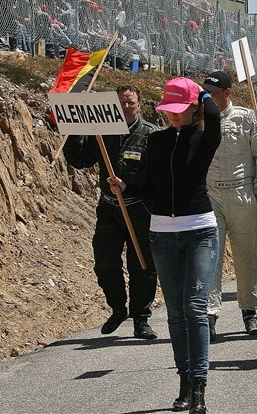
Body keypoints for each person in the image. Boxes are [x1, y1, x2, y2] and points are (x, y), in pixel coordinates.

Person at [109, 77, 221, 413]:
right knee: (175, 313)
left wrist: (200, 92)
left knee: (194, 308)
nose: (172, 115)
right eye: (168, 109)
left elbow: (213, 116)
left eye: (179, 108)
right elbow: (148, 187)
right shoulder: (156, 140)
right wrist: (125, 186)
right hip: (162, 234)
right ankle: (184, 382)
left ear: (192, 107)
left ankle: (200, 387)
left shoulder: (204, 137)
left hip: (200, 230)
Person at [62, 85, 159, 341]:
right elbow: (79, 159)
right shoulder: (101, 131)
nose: (126, 107)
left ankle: (141, 319)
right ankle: (118, 308)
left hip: (140, 208)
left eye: (130, 103)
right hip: (109, 208)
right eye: (121, 103)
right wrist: (73, 130)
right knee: (105, 262)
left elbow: (158, 179)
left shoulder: (151, 134)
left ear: (139, 104)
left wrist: (130, 184)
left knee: (143, 265)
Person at [202, 70, 257, 341]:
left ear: (228, 92)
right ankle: (209, 314)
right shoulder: (198, 118)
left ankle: (250, 311)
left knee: (246, 257)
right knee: (211, 258)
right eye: (205, 91)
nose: (208, 96)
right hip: (211, 196)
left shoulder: (247, 117)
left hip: (242, 194)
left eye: (214, 92)